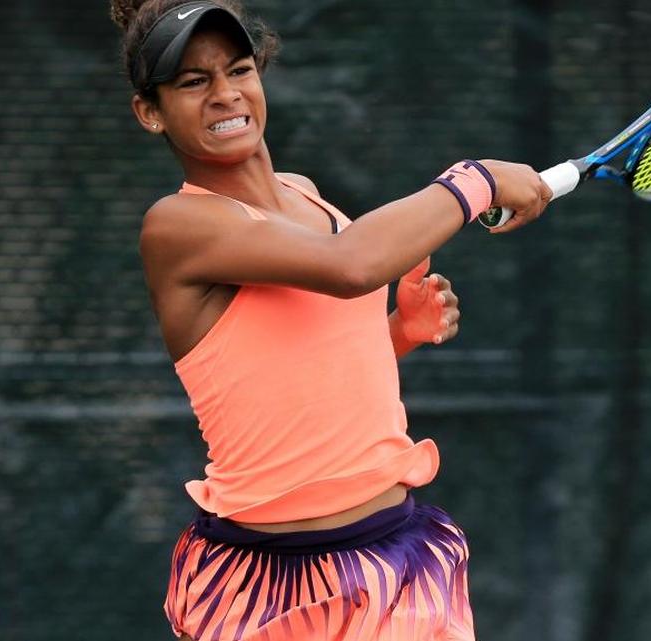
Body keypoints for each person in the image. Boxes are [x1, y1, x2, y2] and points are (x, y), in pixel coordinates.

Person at [108, 1, 551, 639]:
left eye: (237, 70)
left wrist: (395, 333)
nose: (225, 94)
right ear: (151, 112)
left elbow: (289, 368)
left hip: (398, 565)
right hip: (269, 592)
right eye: (193, 81)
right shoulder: (178, 226)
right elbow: (352, 266)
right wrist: (475, 181)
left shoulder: (307, 193)